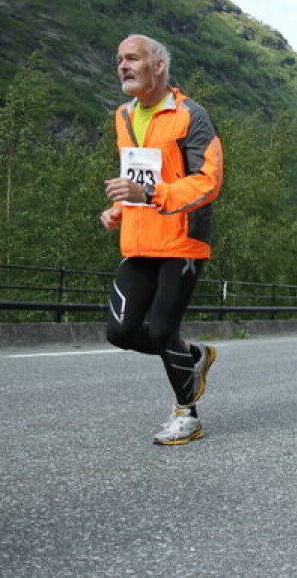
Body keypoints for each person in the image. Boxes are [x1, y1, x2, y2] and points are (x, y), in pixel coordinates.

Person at [100, 34, 223, 445]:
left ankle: (187, 415)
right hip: (139, 239)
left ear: (158, 66)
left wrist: (151, 194)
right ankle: (193, 357)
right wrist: (119, 209)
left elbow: (208, 182)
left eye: (132, 58)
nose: (123, 65)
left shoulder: (191, 115)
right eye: (119, 59)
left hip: (181, 240)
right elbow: (137, 175)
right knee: (120, 332)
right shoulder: (123, 115)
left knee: (161, 331)